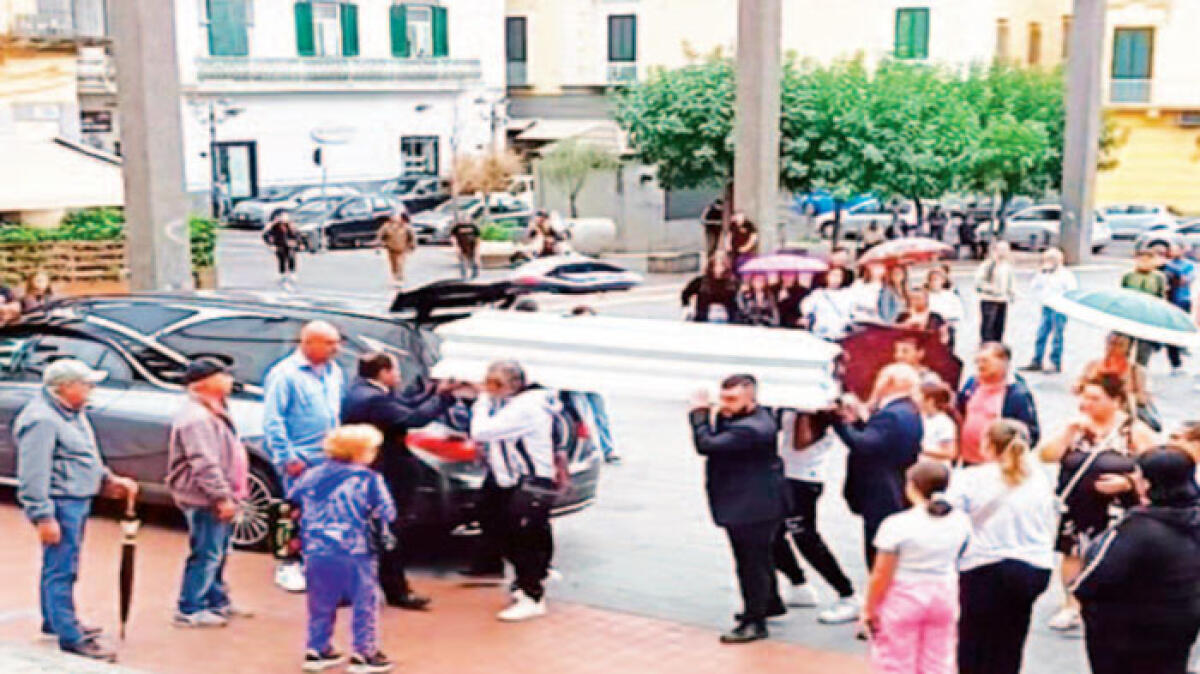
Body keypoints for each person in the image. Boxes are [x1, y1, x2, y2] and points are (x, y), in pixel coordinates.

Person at [14, 359, 138, 662]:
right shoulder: (41, 420)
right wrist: (42, 515)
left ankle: (55, 620)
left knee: (58, 565)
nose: (91, 389)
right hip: (61, 502)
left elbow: (84, 454)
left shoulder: (73, 414)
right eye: (86, 384)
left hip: (77, 499)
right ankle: (69, 635)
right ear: (65, 387)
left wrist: (108, 479)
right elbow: (33, 473)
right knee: (62, 568)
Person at [1037, 373, 1156, 633]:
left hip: (1118, 506)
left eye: (1095, 398)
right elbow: (1046, 455)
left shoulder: (1133, 430)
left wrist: (1127, 482)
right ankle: (1072, 603)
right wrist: (1068, 431)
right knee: (1073, 552)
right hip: (1078, 503)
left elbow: (1155, 467)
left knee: (1117, 554)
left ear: (1115, 401)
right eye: (1084, 397)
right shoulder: (1075, 427)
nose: (1086, 403)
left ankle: (1115, 602)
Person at [340, 352, 457, 610]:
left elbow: (405, 405)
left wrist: (431, 393)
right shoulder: (374, 400)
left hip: (369, 470)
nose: (399, 376)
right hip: (386, 472)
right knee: (388, 530)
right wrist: (444, 398)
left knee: (369, 529)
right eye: (395, 370)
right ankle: (395, 590)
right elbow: (412, 418)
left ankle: (351, 588)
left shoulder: (364, 392)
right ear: (383, 372)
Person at [1072, 447, 1200, 674]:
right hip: (1181, 623)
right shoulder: (1192, 519)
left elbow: (1091, 578)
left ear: (1148, 484)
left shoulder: (1135, 530)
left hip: (1127, 632)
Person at [949, 420, 1056, 674]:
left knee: (974, 643)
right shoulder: (1041, 479)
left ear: (988, 445)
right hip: (1033, 565)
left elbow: (949, 513)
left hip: (985, 563)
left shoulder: (971, 478)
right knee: (1010, 640)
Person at [289, 424, 396, 674]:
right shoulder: (369, 479)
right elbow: (386, 512)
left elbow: (293, 501)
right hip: (356, 548)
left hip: (316, 547)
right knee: (364, 602)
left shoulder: (312, 474)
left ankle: (317, 649)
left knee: (320, 601)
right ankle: (364, 653)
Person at [689, 374, 786, 643]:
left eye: (732, 399)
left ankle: (755, 620)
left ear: (750, 397)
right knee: (762, 557)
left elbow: (706, 444)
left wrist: (699, 414)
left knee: (749, 562)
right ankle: (768, 603)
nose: (725, 405)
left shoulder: (750, 429)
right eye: (723, 398)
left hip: (751, 504)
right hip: (759, 500)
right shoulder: (758, 418)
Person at [469, 360, 567, 622]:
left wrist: (481, 401)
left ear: (513, 384)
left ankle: (532, 593)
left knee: (524, 536)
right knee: (497, 525)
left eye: (497, 384)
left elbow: (482, 431)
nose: (491, 389)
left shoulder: (526, 407)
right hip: (510, 477)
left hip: (531, 479)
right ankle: (531, 578)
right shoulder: (515, 402)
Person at [861, 461, 970, 674]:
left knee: (895, 660)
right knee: (938, 659)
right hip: (943, 593)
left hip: (904, 596)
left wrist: (869, 609)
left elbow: (881, 573)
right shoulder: (961, 521)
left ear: (911, 486)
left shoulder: (897, 525)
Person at [166, 358, 251, 628]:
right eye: (222, 376)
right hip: (205, 498)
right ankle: (190, 607)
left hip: (219, 494)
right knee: (206, 551)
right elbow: (204, 461)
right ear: (204, 383)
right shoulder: (196, 418)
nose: (229, 380)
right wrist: (221, 497)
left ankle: (216, 600)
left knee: (219, 550)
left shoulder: (213, 409)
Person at [263, 320, 344, 593]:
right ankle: (288, 565)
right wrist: (287, 457)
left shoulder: (335, 372)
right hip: (301, 459)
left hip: (329, 457)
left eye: (336, 343)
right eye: (330, 343)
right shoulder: (285, 374)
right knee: (294, 513)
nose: (336, 349)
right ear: (308, 343)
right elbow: (274, 420)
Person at [832, 363, 924, 571]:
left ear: (889, 383)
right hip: (896, 483)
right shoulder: (908, 410)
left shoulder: (891, 414)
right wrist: (856, 424)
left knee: (878, 550)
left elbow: (864, 445)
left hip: (880, 490)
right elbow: (877, 439)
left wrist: (838, 422)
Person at [773, 409, 859, 625]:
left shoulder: (820, 412)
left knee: (805, 537)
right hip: (783, 474)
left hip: (804, 480)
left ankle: (847, 593)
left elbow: (800, 443)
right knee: (772, 533)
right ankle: (798, 584)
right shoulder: (791, 405)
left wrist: (804, 411)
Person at [957, 343, 1040, 466]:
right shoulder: (972, 383)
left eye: (985, 361)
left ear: (1003, 362)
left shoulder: (1017, 395)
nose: (980, 365)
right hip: (968, 461)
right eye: (977, 361)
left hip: (996, 465)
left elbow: (1030, 434)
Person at [1077, 332, 1154, 431]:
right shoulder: (1093, 365)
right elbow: (1078, 388)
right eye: (1111, 343)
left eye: (1120, 345)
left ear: (1128, 349)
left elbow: (1142, 399)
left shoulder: (1135, 371)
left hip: (1121, 421)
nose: (1114, 348)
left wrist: (1125, 392)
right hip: (1092, 417)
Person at [1021, 248, 1077, 374]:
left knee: (1057, 335)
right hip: (1046, 306)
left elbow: (1071, 291)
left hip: (1060, 307)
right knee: (1041, 334)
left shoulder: (1066, 275)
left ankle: (1055, 362)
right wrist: (1041, 274)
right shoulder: (1043, 274)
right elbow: (1034, 287)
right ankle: (1037, 360)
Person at [1122, 249, 1170, 366]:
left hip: (1148, 317)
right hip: (1130, 315)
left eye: (1148, 259)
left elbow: (1161, 297)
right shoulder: (1129, 276)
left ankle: (1139, 376)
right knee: (1123, 350)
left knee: (1143, 352)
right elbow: (1122, 294)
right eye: (1141, 259)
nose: (1144, 262)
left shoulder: (1159, 277)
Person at [1162, 243, 1195, 375]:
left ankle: (1182, 346)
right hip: (1170, 302)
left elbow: (1187, 280)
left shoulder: (1188, 265)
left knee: (1182, 327)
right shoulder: (1167, 266)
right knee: (1171, 332)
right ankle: (1176, 363)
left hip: (1183, 300)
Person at [975, 241, 1014, 343]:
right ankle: (986, 347)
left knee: (999, 326)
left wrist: (1011, 293)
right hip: (989, 299)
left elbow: (1010, 282)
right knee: (988, 327)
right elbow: (979, 282)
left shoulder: (1007, 266)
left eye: (1005, 250)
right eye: (1000, 250)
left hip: (1002, 300)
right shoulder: (988, 265)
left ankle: (997, 347)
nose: (1003, 252)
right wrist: (991, 289)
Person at [681, 255, 740, 323]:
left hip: (729, 319)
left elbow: (741, 297)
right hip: (702, 318)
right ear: (711, 267)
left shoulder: (732, 282)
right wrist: (686, 308)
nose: (720, 268)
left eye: (722, 265)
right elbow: (685, 294)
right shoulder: (700, 281)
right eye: (717, 265)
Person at [800, 267, 854, 340]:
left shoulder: (848, 294)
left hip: (841, 335)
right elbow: (806, 306)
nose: (836, 278)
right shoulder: (818, 293)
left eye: (839, 276)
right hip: (821, 333)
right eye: (833, 275)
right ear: (827, 276)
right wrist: (808, 316)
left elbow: (852, 312)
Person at [917, 380, 958, 463]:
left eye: (919, 397)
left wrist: (920, 449)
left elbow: (950, 453)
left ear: (930, 401)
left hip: (934, 469)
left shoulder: (944, 423)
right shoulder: (921, 417)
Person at [925, 265, 964, 348]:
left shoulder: (951, 296)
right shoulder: (926, 296)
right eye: (931, 280)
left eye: (936, 279)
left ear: (943, 281)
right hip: (931, 328)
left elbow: (958, 313)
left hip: (948, 326)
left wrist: (946, 324)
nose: (934, 282)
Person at [373, 212, 417, 286]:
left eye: (405, 221)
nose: (404, 222)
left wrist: (412, 246)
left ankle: (399, 279)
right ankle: (395, 277)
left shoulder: (407, 228)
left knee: (400, 264)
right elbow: (381, 235)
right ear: (400, 218)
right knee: (394, 265)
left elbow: (412, 237)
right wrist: (378, 245)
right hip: (391, 249)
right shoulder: (389, 225)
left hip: (402, 250)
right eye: (403, 220)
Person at [263, 212, 300, 288]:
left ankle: (292, 273)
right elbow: (266, 235)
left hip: (289, 246)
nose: (282, 223)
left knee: (291, 258)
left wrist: (296, 242)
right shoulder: (273, 227)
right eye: (281, 221)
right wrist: (271, 244)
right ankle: (282, 274)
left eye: (284, 221)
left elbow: (296, 235)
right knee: (281, 259)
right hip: (279, 245)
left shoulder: (290, 227)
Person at [449, 216, 481, 280]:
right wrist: (456, 246)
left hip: (472, 246)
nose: (465, 220)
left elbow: (478, 237)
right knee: (462, 261)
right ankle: (464, 276)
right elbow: (453, 237)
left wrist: (477, 247)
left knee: (475, 260)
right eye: (463, 219)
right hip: (461, 246)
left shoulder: (473, 226)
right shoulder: (457, 227)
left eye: (466, 219)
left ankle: (474, 275)